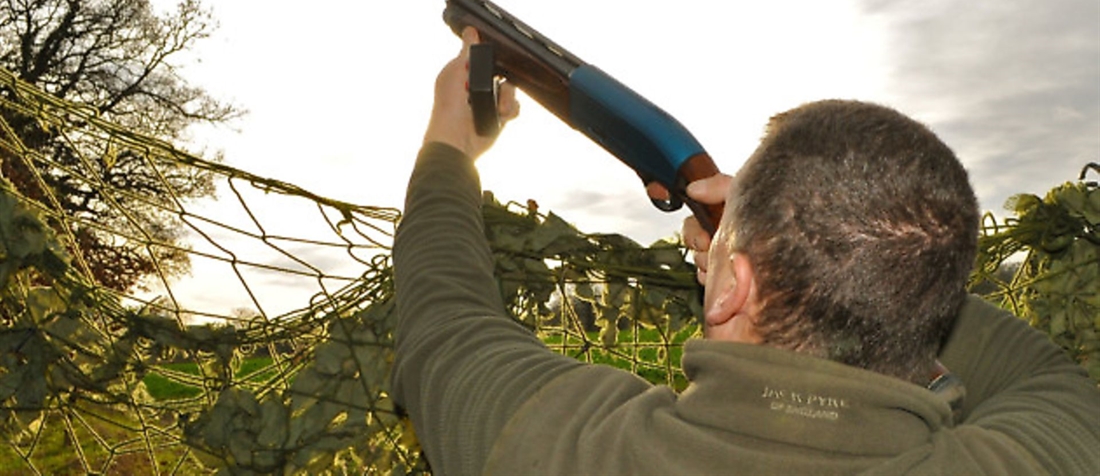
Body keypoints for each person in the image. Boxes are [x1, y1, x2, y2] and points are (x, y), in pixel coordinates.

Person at [391, 28, 1100, 475]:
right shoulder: (1031, 454)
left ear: (732, 286)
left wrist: (450, 143)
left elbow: (444, 322)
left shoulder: (572, 445)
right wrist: (819, 261)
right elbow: (1043, 374)